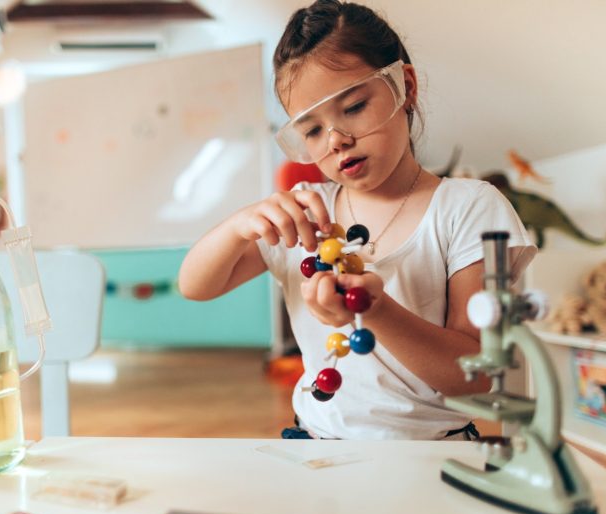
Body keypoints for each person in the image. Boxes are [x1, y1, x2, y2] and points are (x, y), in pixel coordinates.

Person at [178, 0, 536, 441]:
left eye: (353, 107)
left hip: (433, 456)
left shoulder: (467, 207)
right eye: (310, 131)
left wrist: (376, 310)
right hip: (316, 446)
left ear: (405, 86)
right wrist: (238, 225)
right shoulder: (305, 213)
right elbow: (196, 286)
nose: (337, 140)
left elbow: (477, 376)